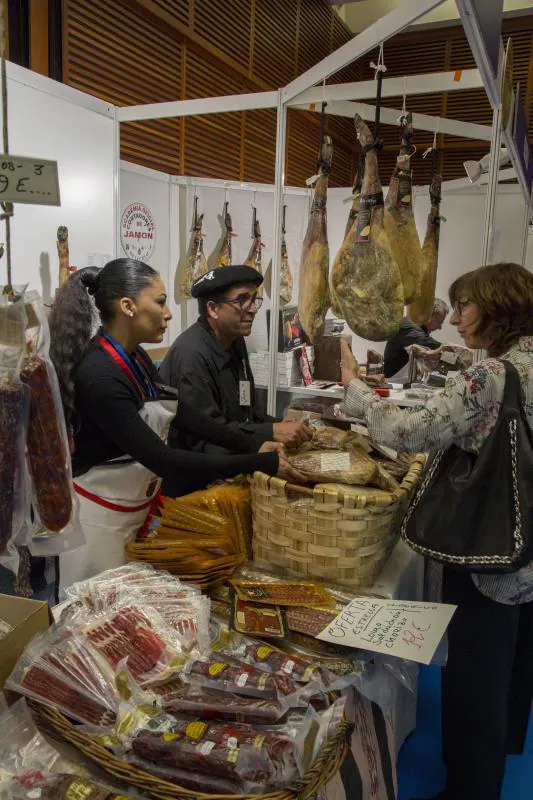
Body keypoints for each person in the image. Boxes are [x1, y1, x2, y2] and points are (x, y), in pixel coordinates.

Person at [340, 262, 533, 800]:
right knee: (512, 667)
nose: (457, 319)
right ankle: (497, 762)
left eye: (466, 306)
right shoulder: (518, 365)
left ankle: (473, 787)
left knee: (477, 676)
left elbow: (407, 431)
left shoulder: (492, 378)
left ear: (495, 309)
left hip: (488, 553)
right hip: (527, 542)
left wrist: (356, 390)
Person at [49, 259, 302, 588]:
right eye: (160, 301)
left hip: (133, 507)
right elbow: (163, 459)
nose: (169, 313)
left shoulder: (135, 357)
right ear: (127, 306)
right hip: (100, 523)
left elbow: (183, 412)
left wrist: (252, 443)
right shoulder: (100, 376)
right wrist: (261, 462)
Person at [159, 265, 311, 455]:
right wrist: (270, 432)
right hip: (199, 475)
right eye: (242, 300)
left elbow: (248, 414)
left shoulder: (234, 340)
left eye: (254, 299)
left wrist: (278, 424)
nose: (253, 309)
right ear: (213, 309)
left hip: (233, 459)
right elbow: (207, 435)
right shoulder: (191, 355)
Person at [383, 298, 449, 379]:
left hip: (402, 381)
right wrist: (457, 357)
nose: (440, 327)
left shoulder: (416, 326)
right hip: (392, 383)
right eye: (439, 322)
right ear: (429, 315)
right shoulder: (409, 326)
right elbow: (431, 345)